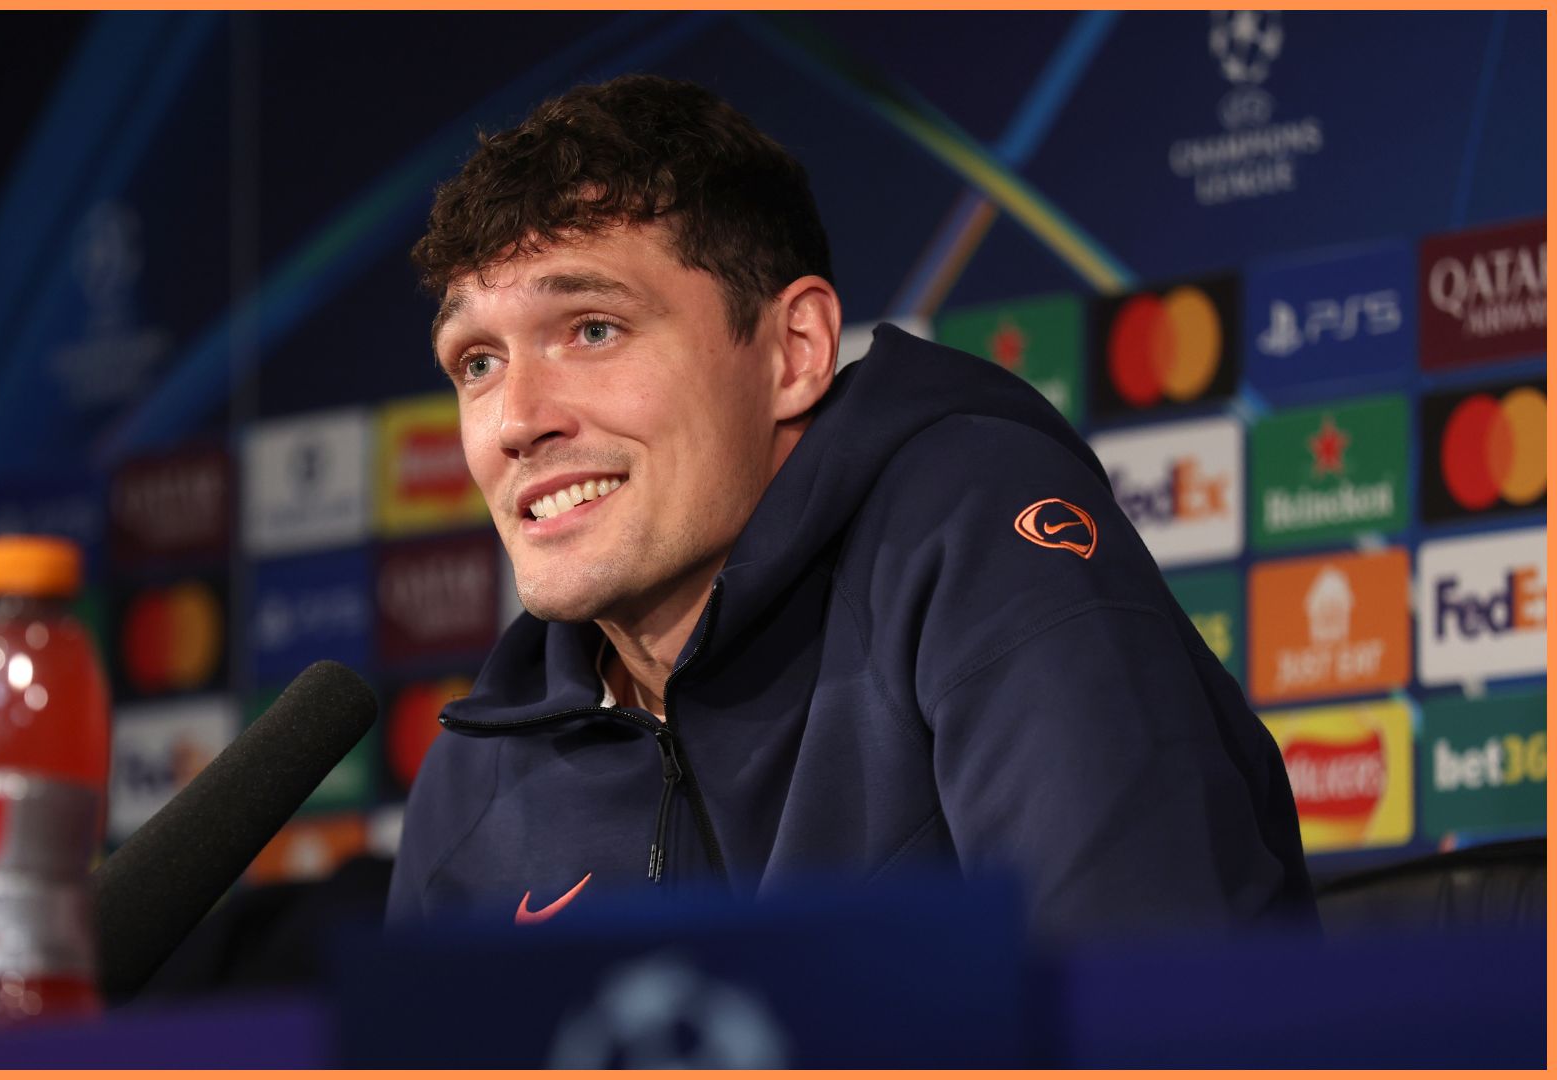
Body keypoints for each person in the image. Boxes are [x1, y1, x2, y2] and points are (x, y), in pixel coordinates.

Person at [387, 74, 1314, 938]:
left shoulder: (976, 542)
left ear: (794, 350)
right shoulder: (476, 778)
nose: (515, 421)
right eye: (478, 363)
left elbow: (1147, 1009)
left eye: (592, 329)